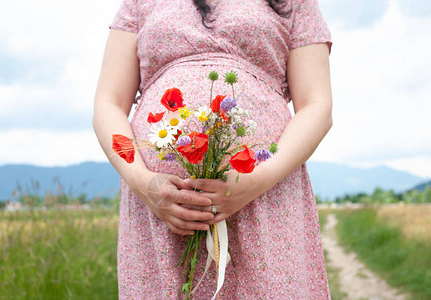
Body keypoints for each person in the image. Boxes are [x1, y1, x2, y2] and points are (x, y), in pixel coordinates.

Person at [93, 0, 333, 298]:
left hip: (263, 197)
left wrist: (254, 181)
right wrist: (144, 183)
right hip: (161, 212)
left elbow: (317, 106)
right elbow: (109, 104)